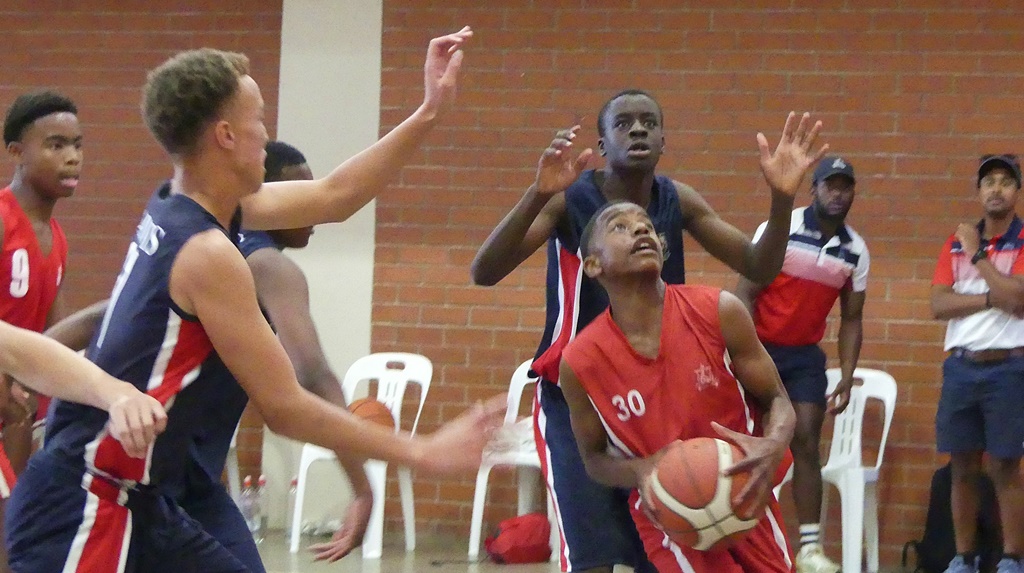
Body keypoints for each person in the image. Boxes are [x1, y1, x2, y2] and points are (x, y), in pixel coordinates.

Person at [6, 27, 504, 573]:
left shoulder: (182, 200)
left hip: (141, 494)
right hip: (89, 500)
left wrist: (429, 111)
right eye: (259, 120)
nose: (266, 135)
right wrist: (423, 452)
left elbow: (334, 196)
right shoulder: (208, 254)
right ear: (224, 135)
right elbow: (285, 406)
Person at [471, 88, 826, 573]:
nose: (638, 130)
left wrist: (782, 199)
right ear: (601, 141)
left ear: (663, 140)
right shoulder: (571, 201)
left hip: (657, 399)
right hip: (582, 392)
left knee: (662, 550)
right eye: (623, 123)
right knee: (592, 554)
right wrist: (538, 193)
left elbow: (759, 267)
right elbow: (485, 271)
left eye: (648, 122)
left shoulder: (675, 200)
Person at [558, 201, 796, 573]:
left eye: (646, 225)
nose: (640, 230)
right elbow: (594, 460)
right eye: (619, 227)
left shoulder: (720, 310)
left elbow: (777, 399)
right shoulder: (579, 362)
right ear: (592, 265)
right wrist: (640, 470)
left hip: (746, 496)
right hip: (669, 516)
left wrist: (774, 442)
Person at [732, 155, 868, 573]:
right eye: (830, 185)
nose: (837, 193)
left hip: (805, 357)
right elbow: (744, 292)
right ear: (814, 188)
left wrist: (846, 375)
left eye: (845, 186)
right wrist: (737, 352)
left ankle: (809, 549)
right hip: (759, 348)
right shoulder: (781, 229)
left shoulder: (855, 250)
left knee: (806, 439)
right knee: (744, 440)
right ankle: (736, 535)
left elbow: (851, 318)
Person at [931, 154, 1024, 573]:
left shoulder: (1017, 240)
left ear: (1017, 192)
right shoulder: (954, 243)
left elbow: (1019, 299)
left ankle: (1011, 559)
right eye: (989, 182)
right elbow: (939, 304)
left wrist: (978, 256)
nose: (996, 189)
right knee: (962, 465)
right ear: (978, 191)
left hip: (1009, 369)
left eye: (1006, 181)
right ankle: (963, 558)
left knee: (1005, 465)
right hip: (961, 368)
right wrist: (990, 297)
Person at [0, 90, 80, 477]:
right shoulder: (2, 218)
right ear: (16, 153)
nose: (72, 156)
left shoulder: (58, 238)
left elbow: (56, 335)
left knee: (12, 524)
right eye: (56, 144)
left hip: (17, 406)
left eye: (77, 145)